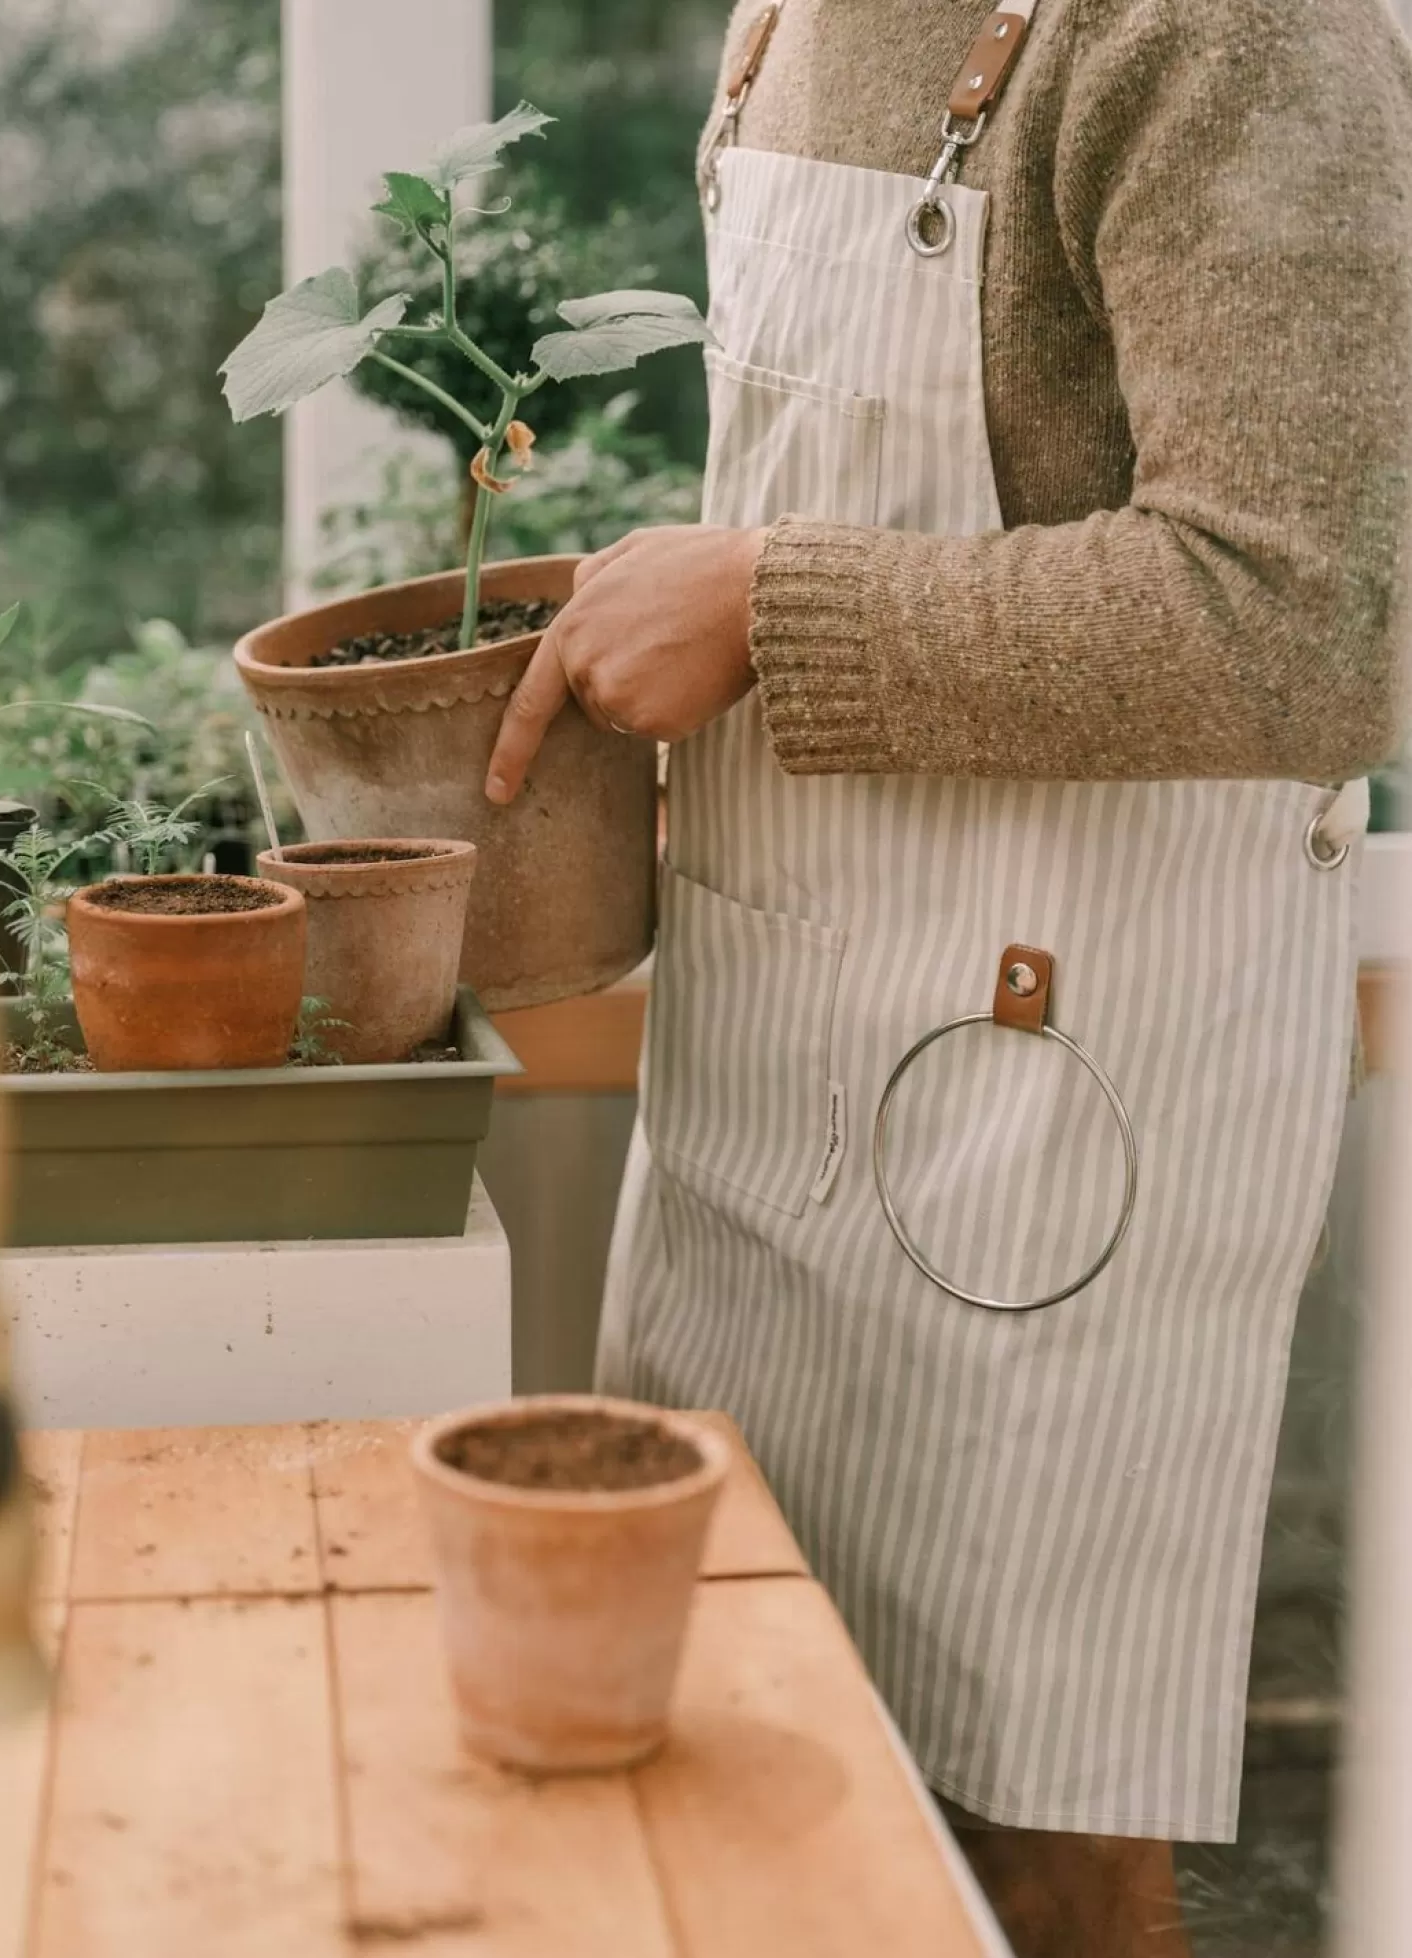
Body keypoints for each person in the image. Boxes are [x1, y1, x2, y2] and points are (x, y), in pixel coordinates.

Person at [485, 1, 1412, 1951]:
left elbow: (1311, 623)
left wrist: (765, 602)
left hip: (1054, 1101)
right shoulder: (789, 16)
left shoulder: (1227, 30)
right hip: (770, 1067)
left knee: (1026, 1859)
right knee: (746, 1798)